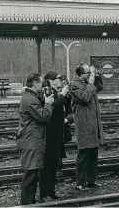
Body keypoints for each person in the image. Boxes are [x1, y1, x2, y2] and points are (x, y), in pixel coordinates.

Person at [16, 73, 54, 205]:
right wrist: (48, 104)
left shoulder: (29, 97)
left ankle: (30, 201)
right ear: (35, 83)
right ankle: (27, 203)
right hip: (31, 140)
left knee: (32, 173)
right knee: (31, 174)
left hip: (31, 139)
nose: (43, 84)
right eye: (41, 82)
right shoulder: (30, 100)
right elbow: (43, 116)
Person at [70, 63, 104, 191]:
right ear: (80, 74)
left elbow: (99, 88)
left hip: (93, 124)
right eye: (87, 73)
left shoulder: (87, 82)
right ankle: (79, 183)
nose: (89, 75)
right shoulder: (74, 85)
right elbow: (85, 97)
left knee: (93, 154)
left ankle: (90, 181)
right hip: (84, 125)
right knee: (83, 155)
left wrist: (97, 76)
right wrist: (90, 82)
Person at [39, 71, 70, 201]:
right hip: (49, 133)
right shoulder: (47, 92)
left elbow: (62, 105)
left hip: (56, 132)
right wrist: (62, 95)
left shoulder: (54, 91)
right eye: (58, 78)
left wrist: (65, 95)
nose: (60, 80)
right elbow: (52, 105)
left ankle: (50, 191)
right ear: (51, 80)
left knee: (53, 164)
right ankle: (44, 193)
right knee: (47, 164)